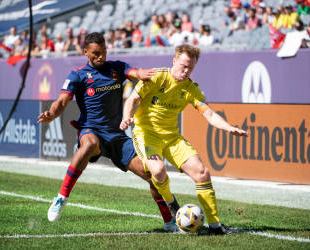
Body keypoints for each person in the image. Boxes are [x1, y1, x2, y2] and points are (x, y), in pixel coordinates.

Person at [38, 32, 180, 232]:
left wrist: (141, 74)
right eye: (96, 53)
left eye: (104, 51)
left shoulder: (117, 67)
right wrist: (52, 113)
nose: (101, 56)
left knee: (152, 174)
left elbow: (134, 73)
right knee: (88, 145)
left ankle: (168, 223)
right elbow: (61, 101)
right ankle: (61, 198)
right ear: (86, 51)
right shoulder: (77, 74)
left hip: (118, 137)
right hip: (92, 130)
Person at [120, 44, 249, 235]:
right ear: (174, 61)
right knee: (159, 170)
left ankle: (215, 227)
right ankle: (171, 202)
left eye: (191, 68)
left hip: (172, 137)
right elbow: (132, 100)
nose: (186, 71)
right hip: (146, 134)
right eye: (183, 65)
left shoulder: (191, 88)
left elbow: (210, 115)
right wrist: (126, 118)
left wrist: (229, 127)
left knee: (202, 173)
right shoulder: (156, 76)